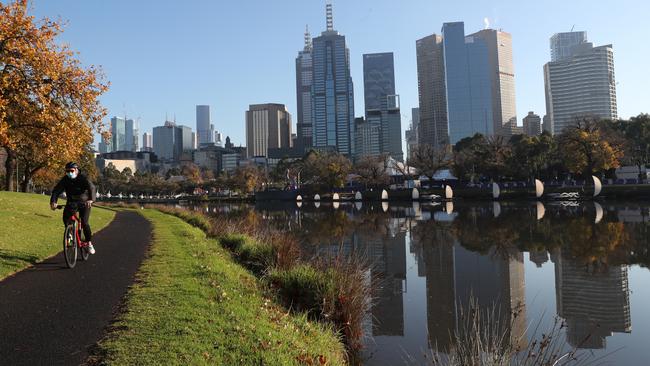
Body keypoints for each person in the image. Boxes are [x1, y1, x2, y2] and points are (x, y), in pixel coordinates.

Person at [50, 162, 97, 254]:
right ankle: (70, 236)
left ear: (76, 170)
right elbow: (56, 191)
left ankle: (89, 243)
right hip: (72, 202)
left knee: (84, 222)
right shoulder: (65, 179)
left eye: (71, 171)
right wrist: (53, 202)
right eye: (67, 171)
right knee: (66, 220)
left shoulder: (83, 178)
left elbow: (92, 188)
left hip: (84, 203)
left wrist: (91, 200)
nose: (69, 173)